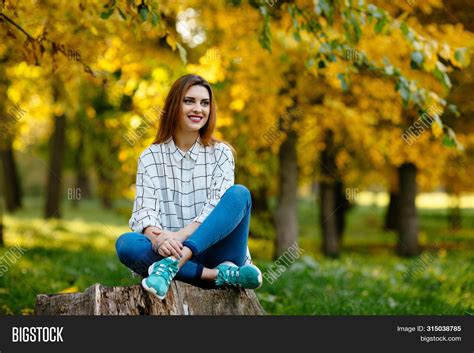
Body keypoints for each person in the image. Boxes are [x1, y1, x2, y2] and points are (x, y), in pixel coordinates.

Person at [115, 74, 262, 300]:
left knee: (240, 194)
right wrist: (159, 239)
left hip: (220, 253)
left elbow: (215, 209)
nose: (198, 109)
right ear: (175, 104)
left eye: (205, 103)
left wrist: (179, 239)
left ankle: (173, 266)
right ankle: (217, 276)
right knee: (126, 244)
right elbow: (144, 213)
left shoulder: (221, 154)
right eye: (189, 101)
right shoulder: (150, 157)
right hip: (173, 252)